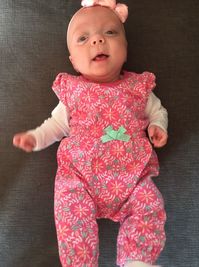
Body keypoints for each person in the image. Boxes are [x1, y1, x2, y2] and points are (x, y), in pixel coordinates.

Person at [13, 1, 168, 266]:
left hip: (131, 179)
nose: (97, 40)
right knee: (69, 209)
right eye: (83, 38)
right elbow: (56, 125)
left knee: (150, 206)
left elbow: (158, 110)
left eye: (110, 33)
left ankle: (137, 260)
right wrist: (36, 138)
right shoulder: (73, 91)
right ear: (73, 60)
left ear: (126, 49)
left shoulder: (138, 87)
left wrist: (158, 125)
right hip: (81, 178)